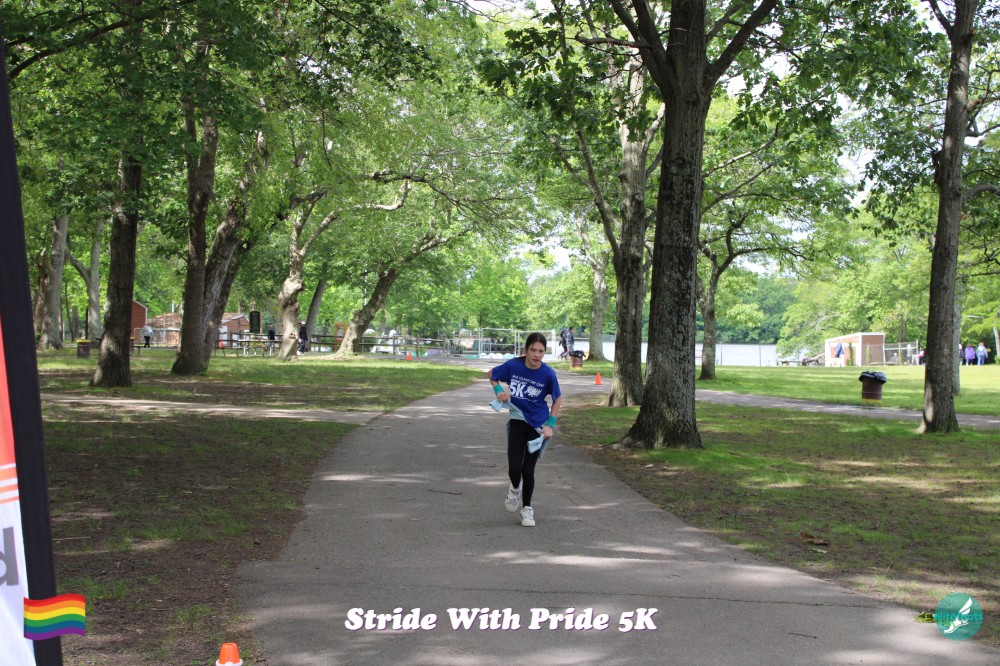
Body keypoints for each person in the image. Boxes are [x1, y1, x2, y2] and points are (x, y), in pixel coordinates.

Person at [490, 332, 563, 527]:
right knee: (515, 468)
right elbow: (492, 375)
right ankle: (515, 488)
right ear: (526, 349)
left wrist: (550, 424)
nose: (537, 355)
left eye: (541, 351)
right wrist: (499, 391)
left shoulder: (548, 373)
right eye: (533, 350)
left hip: (537, 425)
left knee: (528, 469)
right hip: (517, 421)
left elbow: (557, 398)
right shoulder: (513, 366)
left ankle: (527, 510)